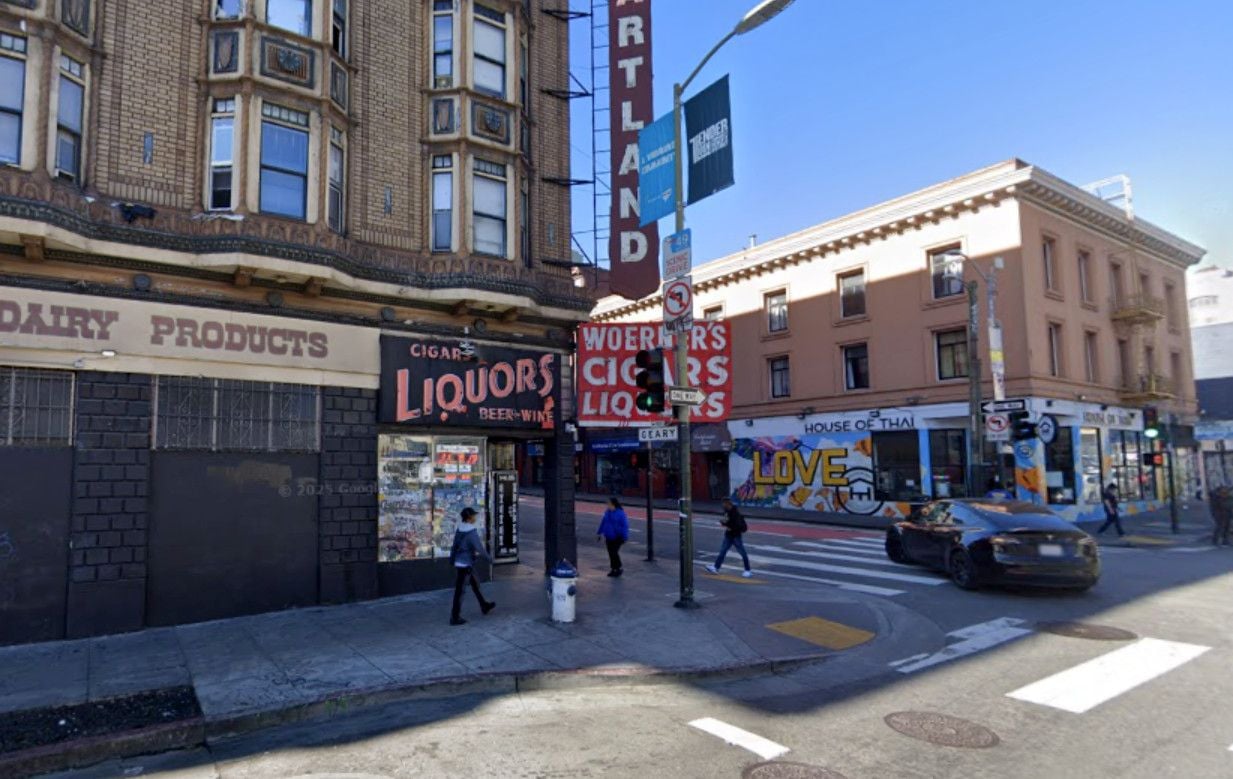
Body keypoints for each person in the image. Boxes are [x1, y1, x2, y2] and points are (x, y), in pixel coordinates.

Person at [449, 507, 496, 625]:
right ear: (469, 518)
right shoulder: (471, 532)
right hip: (465, 564)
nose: (475, 517)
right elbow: (479, 548)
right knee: (460, 591)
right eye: (474, 515)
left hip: (461, 562)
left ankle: (484, 605)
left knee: (476, 584)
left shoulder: (459, 529)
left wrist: (452, 559)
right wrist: (490, 559)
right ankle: (455, 617)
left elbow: (454, 546)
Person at [705, 498, 752, 578]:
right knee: (722, 551)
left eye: (724, 503)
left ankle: (747, 570)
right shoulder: (727, 511)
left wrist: (726, 525)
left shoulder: (735, 513)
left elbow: (735, 525)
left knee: (742, 553)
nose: (723, 505)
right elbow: (727, 521)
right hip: (728, 535)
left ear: (728, 504)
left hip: (736, 536)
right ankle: (716, 567)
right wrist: (724, 523)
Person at [597, 497, 630, 576]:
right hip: (608, 536)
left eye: (608, 504)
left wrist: (625, 537)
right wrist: (599, 532)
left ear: (613, 504)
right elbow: (603, 522)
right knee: (611, 553)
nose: (607, 505)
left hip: (617, 537)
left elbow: (625, 526)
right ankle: (613, 569)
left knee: (613, 552)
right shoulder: (607, 512)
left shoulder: (620, 513)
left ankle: (618, 568)